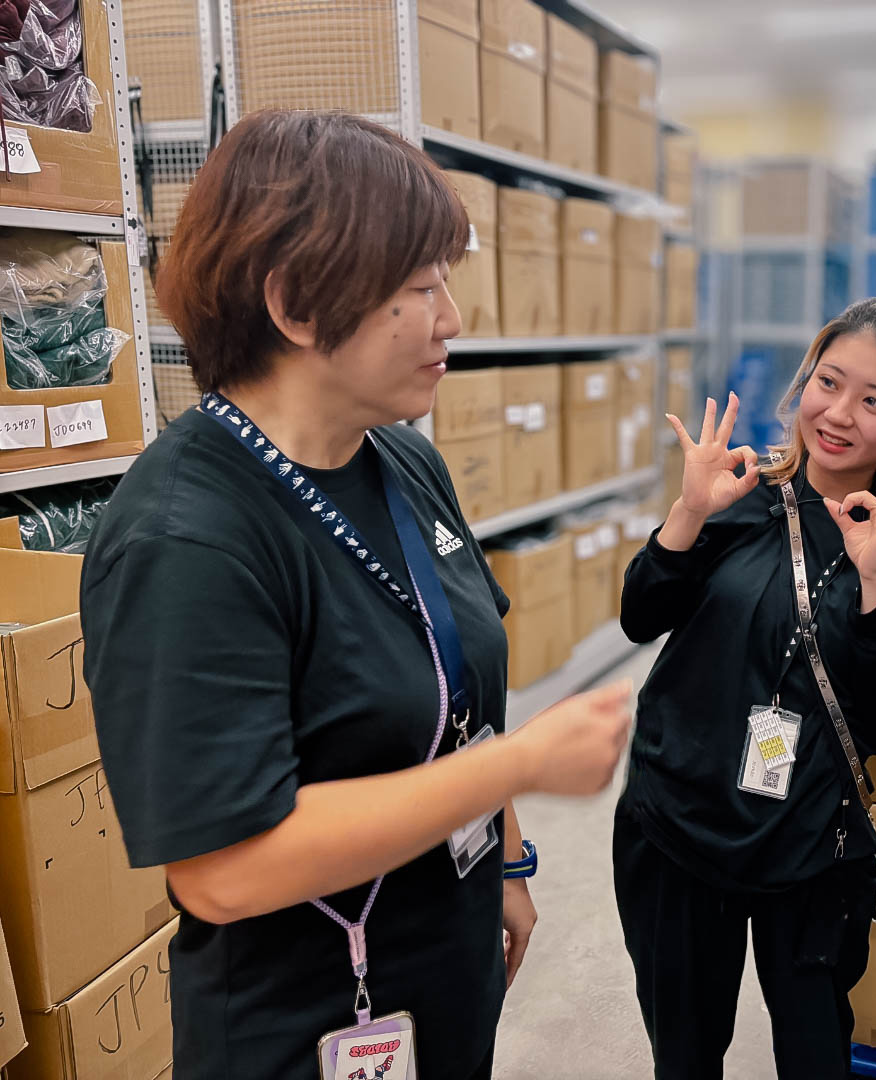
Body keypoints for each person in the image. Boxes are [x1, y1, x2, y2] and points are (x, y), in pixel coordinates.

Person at [78, 110, 632, 1079]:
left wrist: (501, 857)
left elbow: (457, 694)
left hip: (441, 970)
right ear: (296, 304)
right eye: (419, 288)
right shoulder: (189, 538)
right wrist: (520, 772)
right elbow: (224, 870)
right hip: (301, 1021)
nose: (452, 320)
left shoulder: (401, 464)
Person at [614, 297, 876, 1079]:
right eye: (827, 383)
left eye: (874, 402)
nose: (837, 415)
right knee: (684, 1049)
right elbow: (640, 616)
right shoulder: (738, 495)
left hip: (810, 844)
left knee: (813, 1053)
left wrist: (875, 583)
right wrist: (686, 513)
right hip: (676, 822)